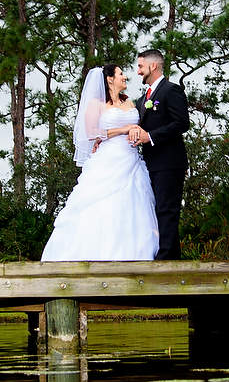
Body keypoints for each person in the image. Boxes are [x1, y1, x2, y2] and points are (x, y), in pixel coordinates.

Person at [41, 64, 159, 261]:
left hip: (132, 160)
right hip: (108, 161)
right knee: (103, 207)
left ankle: (133, 256)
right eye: (120, 74)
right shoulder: (96, 104)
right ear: (109, 79)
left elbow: (138, 125)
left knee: (132, 207)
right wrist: (123, 129)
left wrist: (136, 130)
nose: (125, 77)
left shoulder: (130, 102)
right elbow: (91, 133)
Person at [128, 49, 190, 260]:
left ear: (153, 66)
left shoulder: (171, 90)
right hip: (150, 164)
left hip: (169, 162)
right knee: (155, 211)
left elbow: (182, 123)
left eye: (140, 66)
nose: (138, 72)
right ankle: (168, 256)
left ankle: (167, 259)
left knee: (167, 210)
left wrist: (150, 136)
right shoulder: (143, 98)